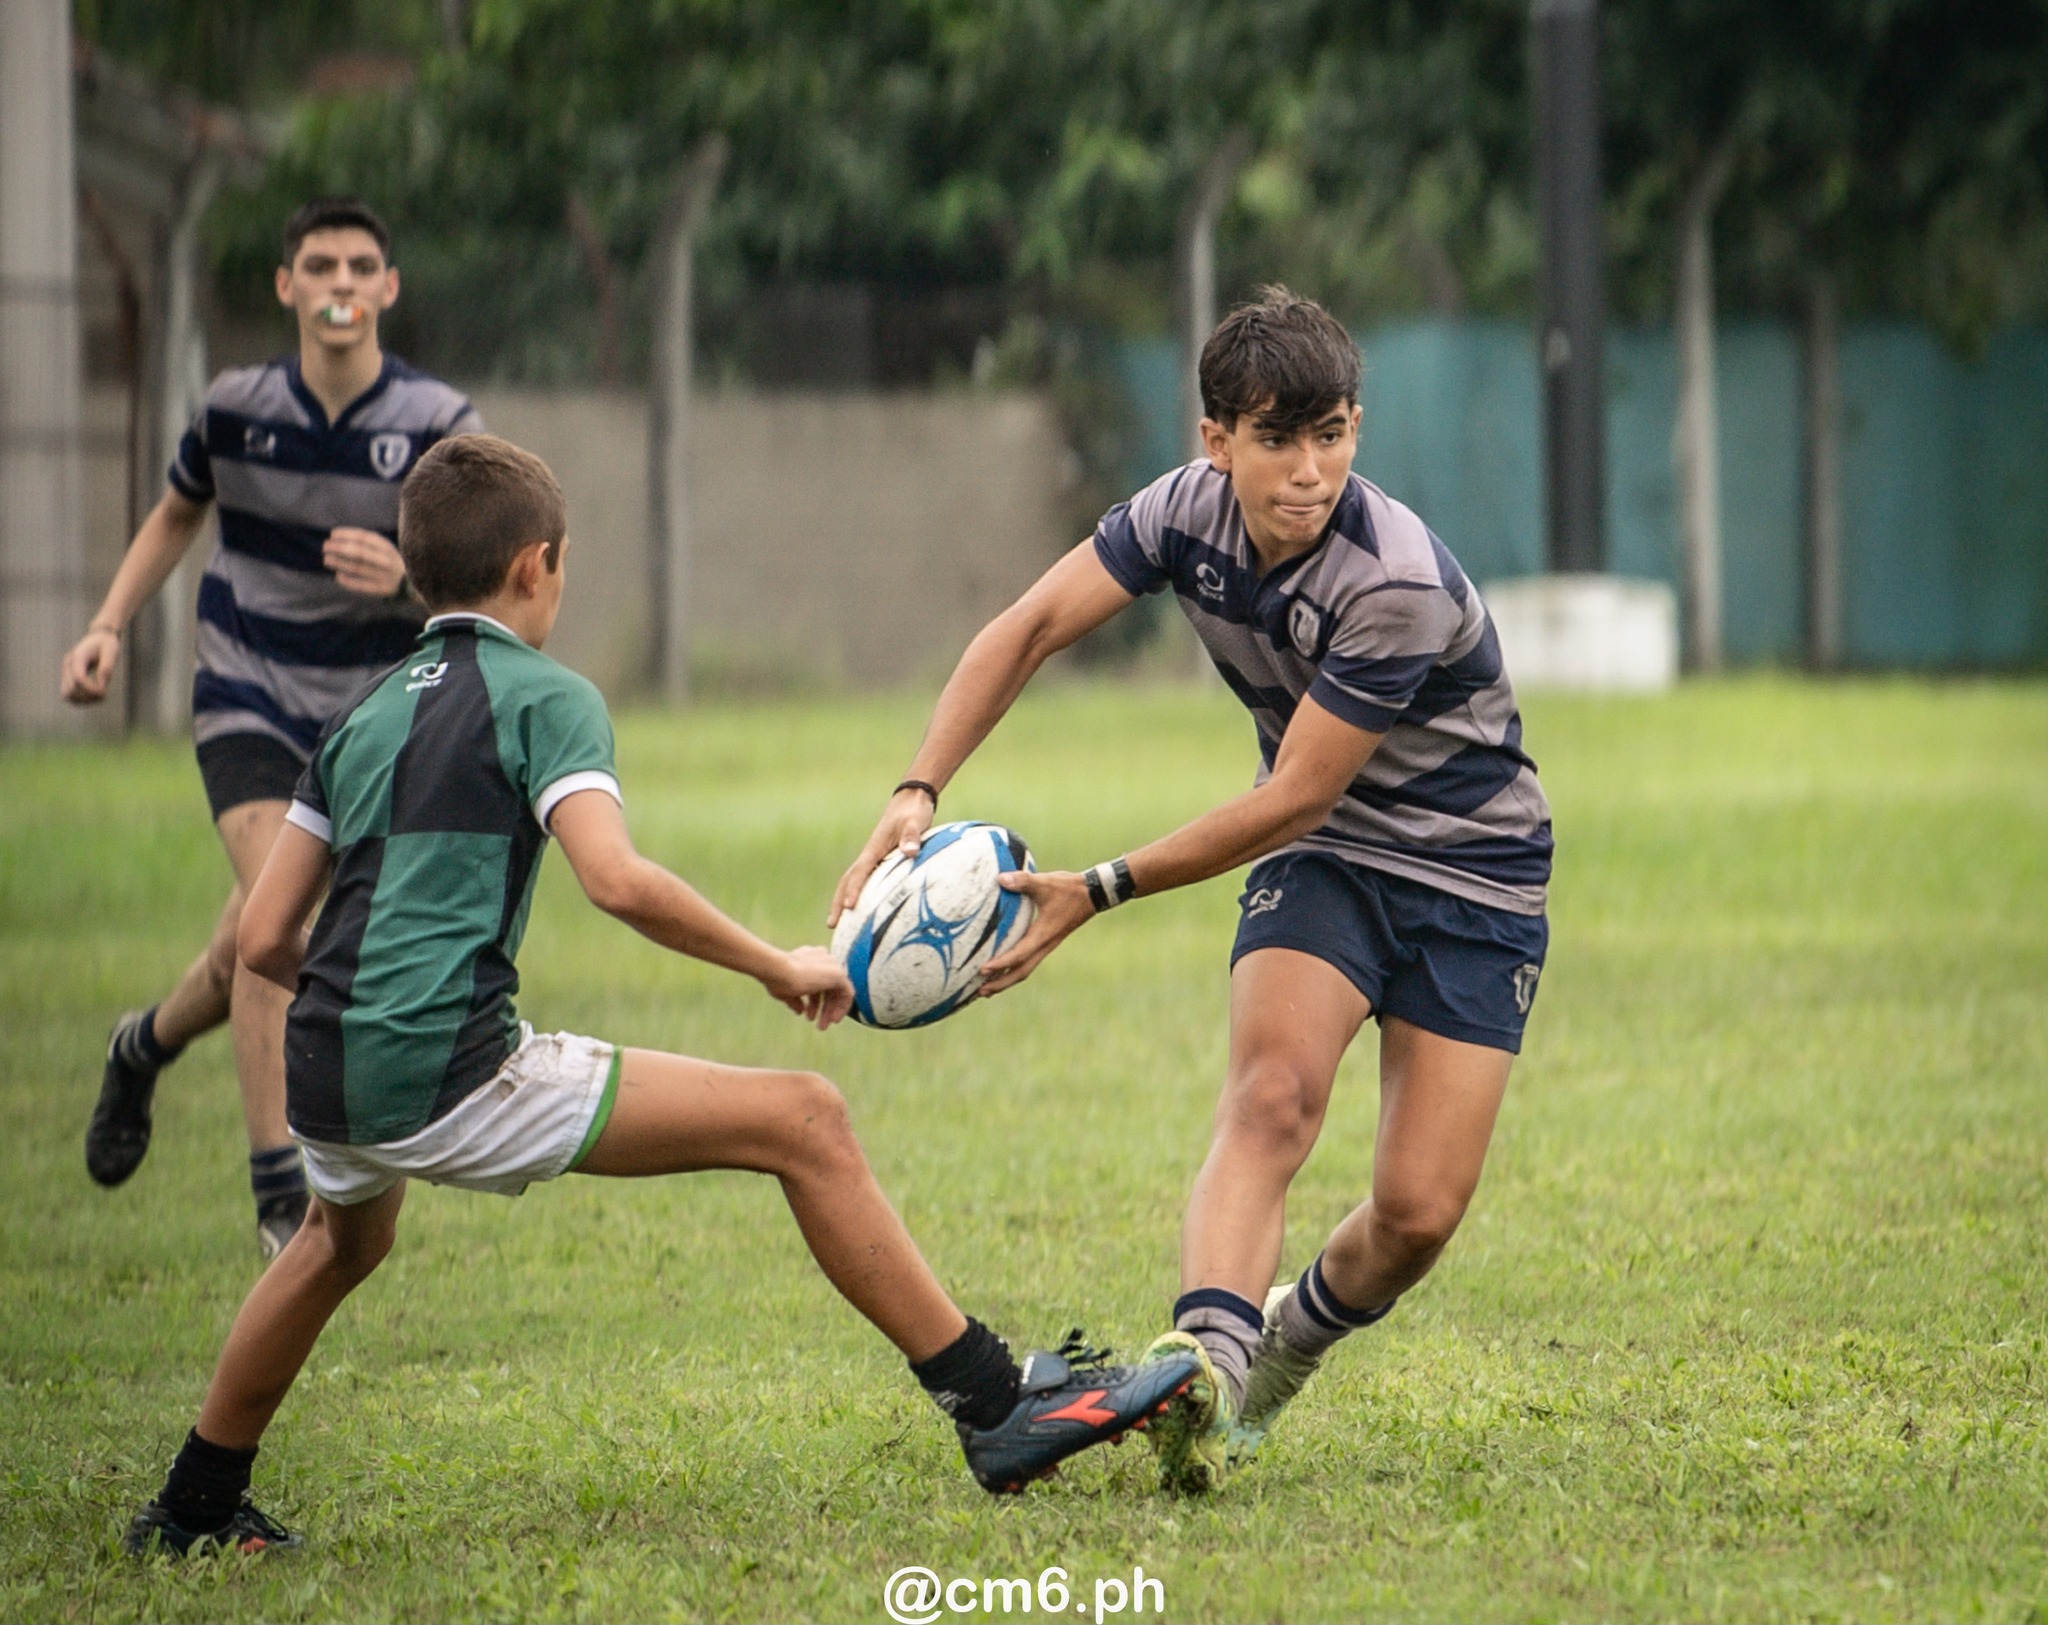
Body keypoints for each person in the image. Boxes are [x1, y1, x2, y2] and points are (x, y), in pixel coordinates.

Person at [122, 434, 1197, 1558]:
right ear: (537, 565)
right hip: (449, 1064)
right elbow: (617, 880)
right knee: (804, 1119)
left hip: (323, 1065)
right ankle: (996, 1404)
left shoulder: (362, 713)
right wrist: (777, 963)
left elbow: (261, 937)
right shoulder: (547, 698)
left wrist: (366, 1001)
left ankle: (193, 1506)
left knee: (334, 1246)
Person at [832, 288, 1552, 1495]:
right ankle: (1204, 1372)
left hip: (1471, 872)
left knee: (1416, 1213)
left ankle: (1279, 1349)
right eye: (1276, 439)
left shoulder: (1392, 581)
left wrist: (1099, 886)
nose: (1307, 470)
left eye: (1330, 435)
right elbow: (1027, 627)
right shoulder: (1180, 513)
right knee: (1270, 1096)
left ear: (1356, 429)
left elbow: (1293, 794)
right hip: (1331, 860)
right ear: (1216, 440)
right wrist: (917, 785)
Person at [60, 198, 485, 1258]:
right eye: (320, 265)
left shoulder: (440, 424)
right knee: (274, 916)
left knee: (244, 941)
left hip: (370, 721)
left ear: (388, 288)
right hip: (245, 692)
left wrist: (406, 578)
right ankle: (277, 1197)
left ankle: (142, 1045)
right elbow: (177, 513)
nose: (340, 283)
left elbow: (485, 580)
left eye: (360, 266)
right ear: (287, 284)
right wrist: (108, 625)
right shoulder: (233, 410)